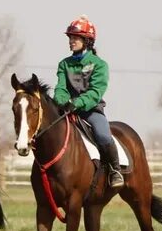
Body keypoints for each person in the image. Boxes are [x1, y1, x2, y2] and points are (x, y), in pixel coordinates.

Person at [54, 15, 127, 189]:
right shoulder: (64, 64)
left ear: (87, 41)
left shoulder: (99, 65)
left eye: (75, 38)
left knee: (102, 134)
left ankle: (115, 169)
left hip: (91, 110)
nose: (71, 41)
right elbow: (60, 87)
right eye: (70, 37)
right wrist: (62, 101)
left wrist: (76, 103)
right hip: (66, 110)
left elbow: (96, 92)